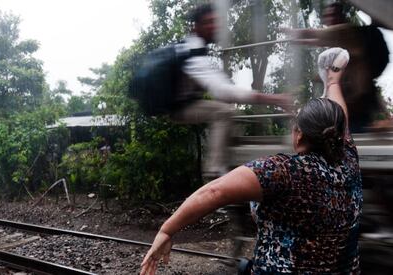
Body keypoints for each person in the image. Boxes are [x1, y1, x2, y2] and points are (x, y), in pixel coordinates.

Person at [140, 48, 362, 274]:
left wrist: (167, 231)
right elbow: (340, 119)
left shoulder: (284, 171)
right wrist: (333, 81)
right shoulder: (348, 160)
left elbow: (214, 192)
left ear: (299, 135)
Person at [171, 3, 291, 178]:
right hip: (178, 108)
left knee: (223, 109)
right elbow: (222, 90)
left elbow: (217, 84)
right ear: (195, 27)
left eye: (215, 21)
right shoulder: (193, 52)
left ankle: (220, 163)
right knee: (224, 111)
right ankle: (214, 172)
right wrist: (274, 99)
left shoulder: (192, 48)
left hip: (181, 103)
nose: (214, 27)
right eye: (208, 22)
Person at [286, 2, 390, 132]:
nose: (330, 19)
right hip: (348, 110)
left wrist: (291, 33)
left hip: (356, 111)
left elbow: (316, 35)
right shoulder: (338, 44)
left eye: (333, 15)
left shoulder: (348, 33)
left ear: (341, 16)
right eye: (328, 16)